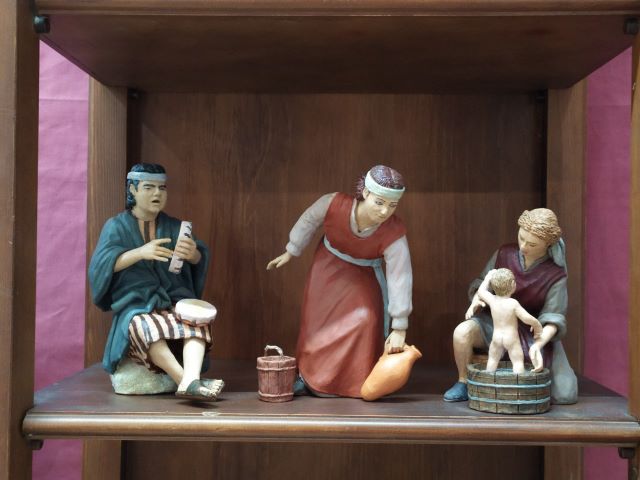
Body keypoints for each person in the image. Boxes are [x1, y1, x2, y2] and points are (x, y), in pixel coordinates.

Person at [267, 165, 413, 398]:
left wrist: (399, 325)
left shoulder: (393, 231)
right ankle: (309, 378)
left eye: (392, 205)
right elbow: (309, 220)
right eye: (379, 202)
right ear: (366, 193)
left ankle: (355, 381)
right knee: (316, 325)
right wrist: (292, 249)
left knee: (365, 319)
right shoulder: (334, 204)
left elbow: (400, 275)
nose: (385, 211)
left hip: (364, 276)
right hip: (327, 269)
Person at [88, 163, 224, 401]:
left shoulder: (175, 226)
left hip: (173, 298)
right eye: (149, 187)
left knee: (197, 322)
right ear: (132, 190)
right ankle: (185, 381)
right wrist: (140, 253)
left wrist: (193, 254)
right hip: (136, 302)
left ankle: (191, 378)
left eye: (162, 188)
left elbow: (198, 259)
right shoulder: (116, 226)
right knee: (145, 326)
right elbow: (101, 264)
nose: (157, 194)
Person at [444, 208, 578, 404]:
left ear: (548, 244)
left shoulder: (555, 274)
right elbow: (483, 282)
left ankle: (522, 388)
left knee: (565, 393)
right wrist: (478, 299)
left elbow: (553, 316)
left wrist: (539, 344)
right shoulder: (504, 254)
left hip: (532, 331)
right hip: (495, 322)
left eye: (532, 244)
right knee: (462, 333)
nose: (523, 246)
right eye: (521, 238)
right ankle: (463, 381)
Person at [476, 268, 543, 374]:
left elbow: (481, 292)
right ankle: (518, 381)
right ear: (513, 285)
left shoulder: (492, 300)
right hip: (511, 339)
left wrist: (487, 278)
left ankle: (488, 377)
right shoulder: (513, 304)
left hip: (497, 337)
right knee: (517, 362)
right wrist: (537, 324)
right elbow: (526, 318)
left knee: (492, 359)